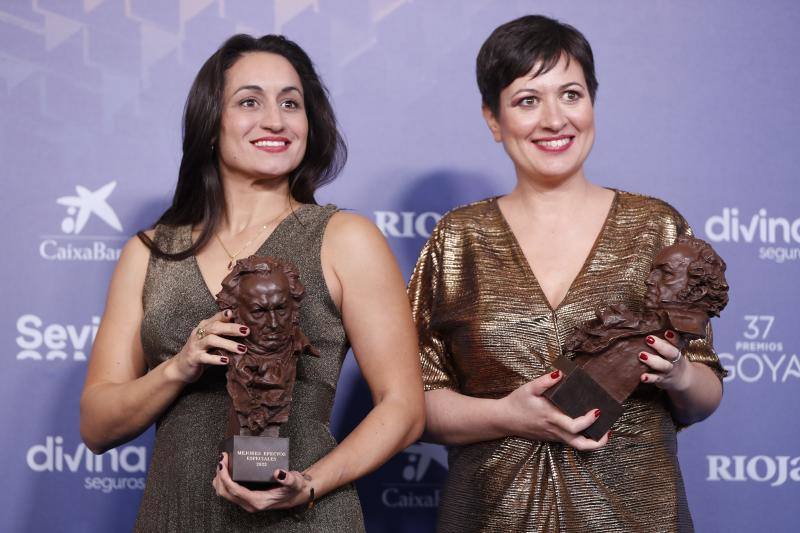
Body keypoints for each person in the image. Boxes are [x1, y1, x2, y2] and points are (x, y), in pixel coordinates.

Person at [80, 34, 424, 532]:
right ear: (211, 123)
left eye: (291, 103)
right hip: (177, 516)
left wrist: (308, 485)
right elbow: (96, 424)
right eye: (249, 102)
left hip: (305, 517)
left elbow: (404, 407)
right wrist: (179, 366)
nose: (276, 120)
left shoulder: (346, 239)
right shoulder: (151, 251)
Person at [408, 15, 725, 533]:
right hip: (491, 515)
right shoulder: (456, 238)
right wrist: (508, 415)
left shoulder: (657, 227)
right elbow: (414, 403)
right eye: (528, 100)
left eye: (571, 94)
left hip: (637, 516)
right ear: (493, 119)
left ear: (593, 103)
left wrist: (681, 375)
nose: (554, 119)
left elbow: (704, 394)